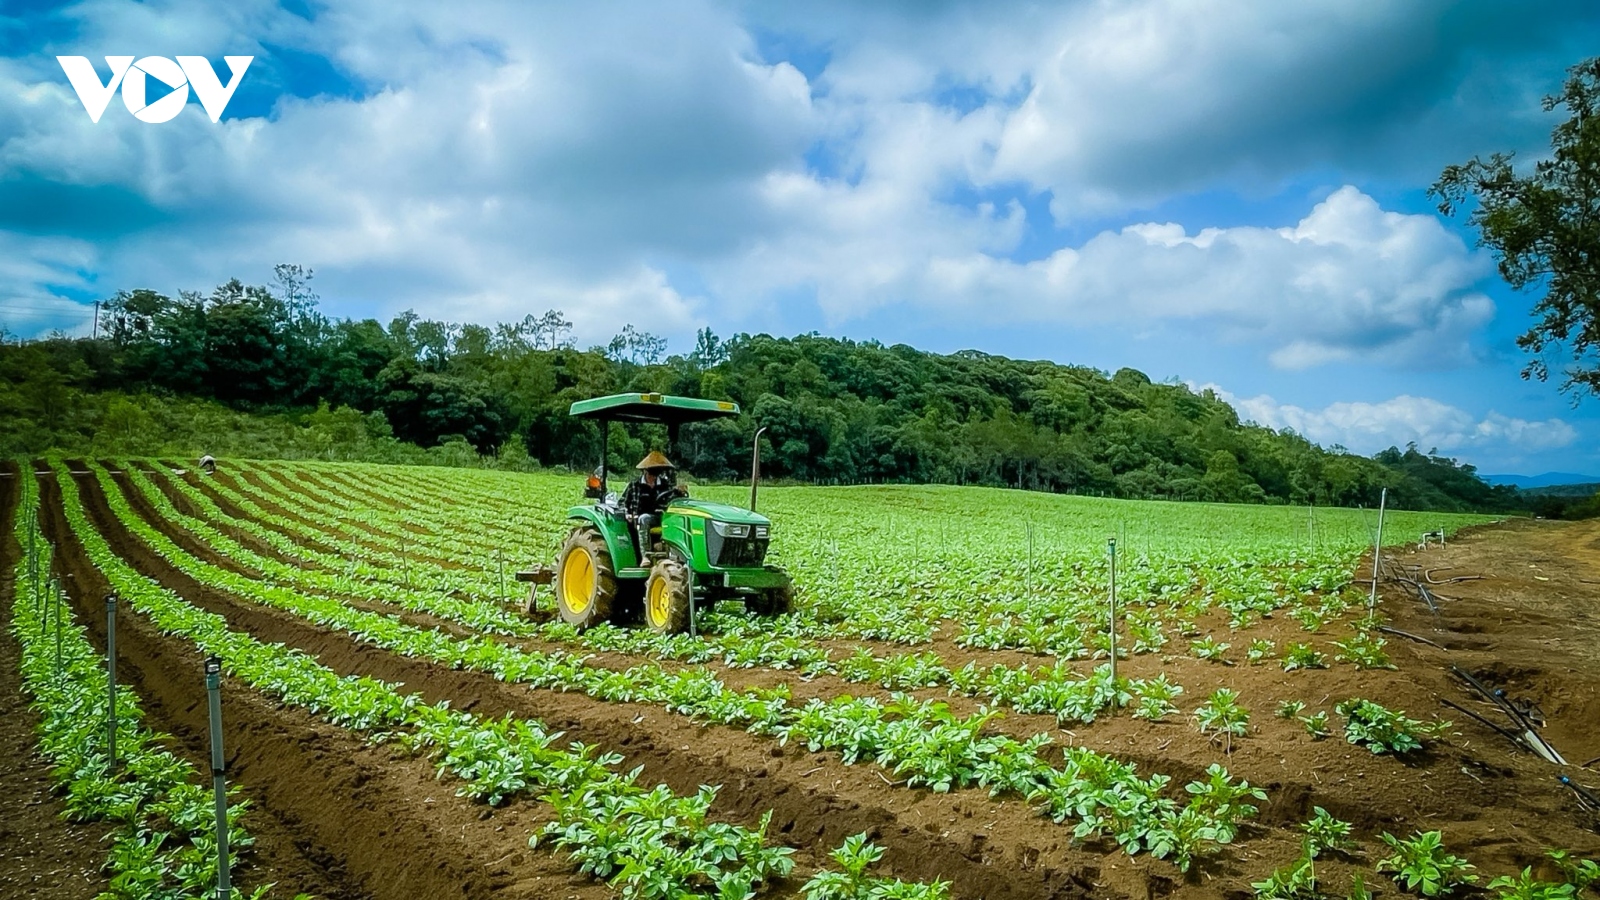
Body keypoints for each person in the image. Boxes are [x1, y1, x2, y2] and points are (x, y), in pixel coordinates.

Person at [622, 451, 687, 552]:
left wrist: (680, 492)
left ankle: (674, 552)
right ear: (645, 471)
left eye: (656, 474)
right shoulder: (634, 485)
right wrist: (628, 514)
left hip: (661, 516)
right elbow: (623, 502)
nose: (653, 477)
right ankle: (646, 555)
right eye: (652, 473)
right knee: (644, 518)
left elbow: (672, 499)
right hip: (641, 517)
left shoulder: (665, 485)